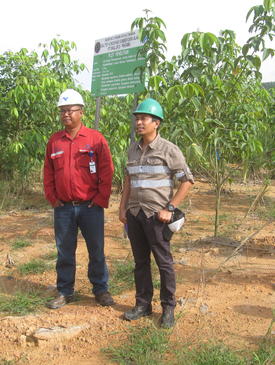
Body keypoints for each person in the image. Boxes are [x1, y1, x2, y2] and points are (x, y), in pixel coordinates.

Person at [119, 98, 194, 328]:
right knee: (140, 262)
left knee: (164, 263)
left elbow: (187, 181)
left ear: (156, 123)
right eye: (137, 118)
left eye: (144, 118)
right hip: (135, 213)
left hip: (156, 216)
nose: (139, 122)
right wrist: (123, 208)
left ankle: (168, 308)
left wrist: (169, 208)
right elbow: (129, 180)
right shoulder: (132, 149)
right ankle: (143, 305)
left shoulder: (168, 150)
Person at [44, 89, 114, 309]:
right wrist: (53, 198)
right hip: (63, 208)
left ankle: (100, 290)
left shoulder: (95, 139)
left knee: (96, 250)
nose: (65, 114)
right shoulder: (55, 141)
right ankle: (65, 291)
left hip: (90, 207)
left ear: (81, 112)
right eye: (62, 111)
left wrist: (101, 199)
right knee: (64, 251)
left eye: (70, 110)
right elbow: (48, 172)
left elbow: (107, 171)